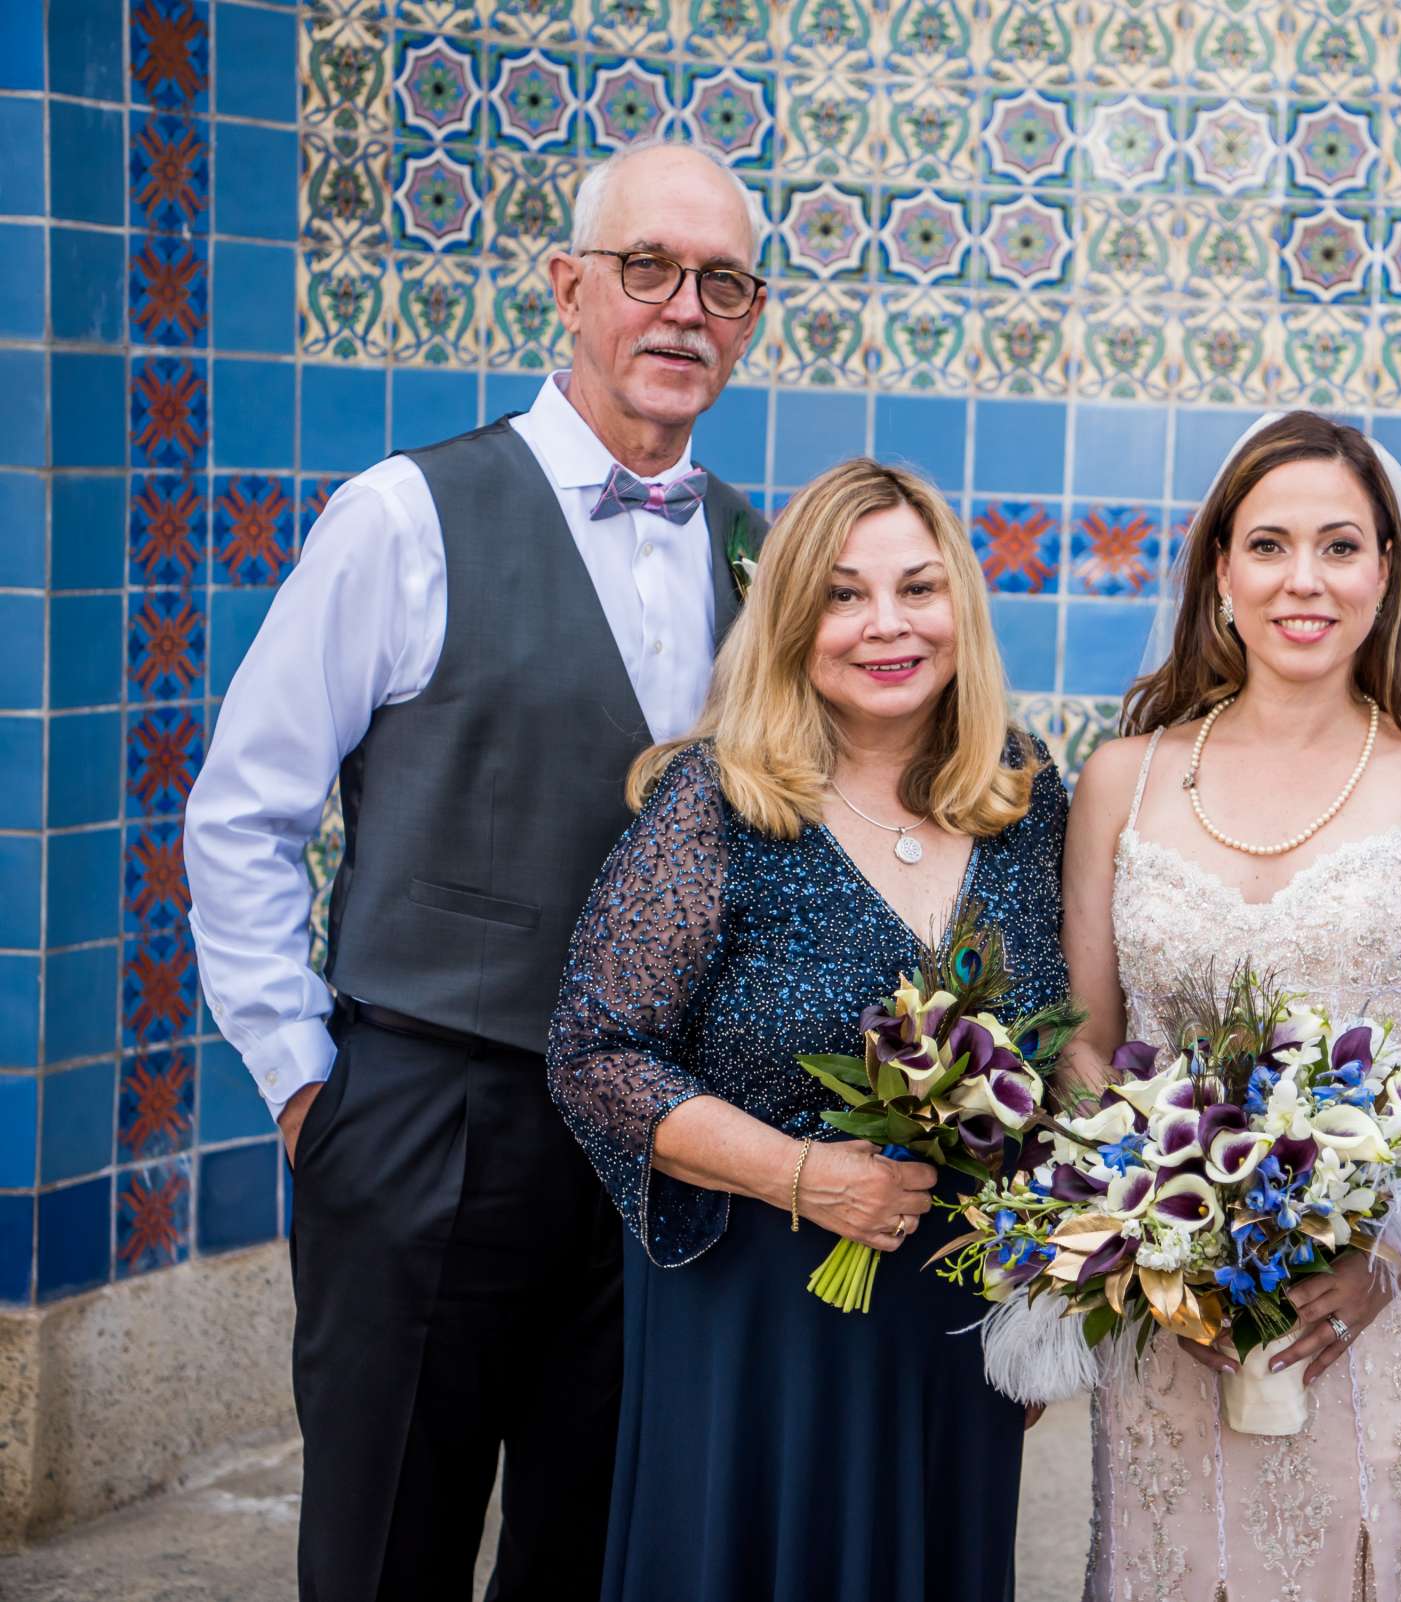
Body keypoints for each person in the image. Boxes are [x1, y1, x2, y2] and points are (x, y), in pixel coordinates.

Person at [184, 139, 768, 1599]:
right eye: (648, 269)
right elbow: (243, 811)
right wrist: (307, 1085)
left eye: (723, 283)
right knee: (389, 1543)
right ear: (569, 285)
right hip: (427, 1114)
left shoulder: (769, 557)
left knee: (597, 1547)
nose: (683, 309)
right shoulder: (401, 515)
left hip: (656, 1150)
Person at [546, 456, 1064, 1602]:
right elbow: (592, 1055)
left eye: (919, 590)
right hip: (758, 1316)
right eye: (843, 594)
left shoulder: (1027, 797)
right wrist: (802, 1177)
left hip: (953, 1318)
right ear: (789, 620)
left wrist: (1043, 1286)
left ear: (961, 610)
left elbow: (1060, 1056)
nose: (888, 625)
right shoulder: (717, 804)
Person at [1063, 411, 1401, 1600]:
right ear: (1221, 571)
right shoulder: (1125, 777)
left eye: (1339, 547)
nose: (1302, 581)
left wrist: (1394, 1245)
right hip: (1177, 1320)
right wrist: (1159, 1237)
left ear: (1386, 572)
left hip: (1391, 1306)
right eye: (1267, 546)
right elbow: (1086, 1040)